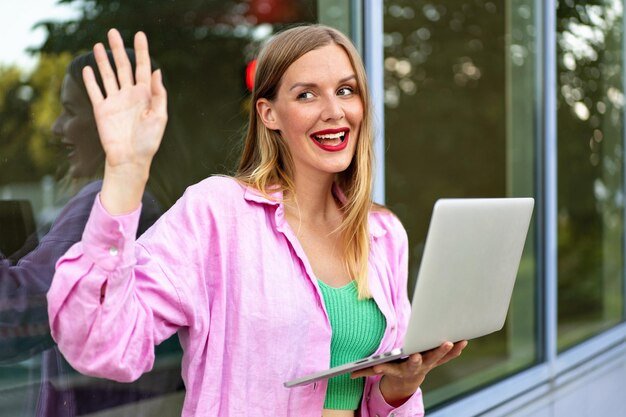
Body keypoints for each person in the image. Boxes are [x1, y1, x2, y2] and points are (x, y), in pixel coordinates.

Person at [47, 25, 468, 416]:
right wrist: (125, 171)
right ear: (268, 114)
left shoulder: (382, 233)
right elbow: (99, 341)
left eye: (346, 90)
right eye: (306, 95)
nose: (334, 110)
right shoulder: (218, 213)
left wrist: (402, 386)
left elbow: (379, 396)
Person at [0, 49, 183, 417]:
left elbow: (15, 313)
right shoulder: (149, 202)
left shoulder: (102, 208)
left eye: (69, 111)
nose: (55, 127)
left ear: (114, 119)